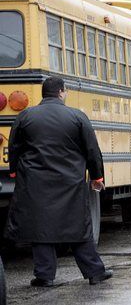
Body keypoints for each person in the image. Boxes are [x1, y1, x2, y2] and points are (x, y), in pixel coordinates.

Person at [5, 76, 112, 287]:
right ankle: (94, 271)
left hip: (35, 182)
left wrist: (15, 173)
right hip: (70, 182)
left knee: (41, 227)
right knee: (79, 227)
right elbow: (92, 150)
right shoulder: (76, 116)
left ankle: (45, 276)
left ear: (44, 93)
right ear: (62, 92)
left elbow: (14, 147)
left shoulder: (26, 116)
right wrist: (97, 177)